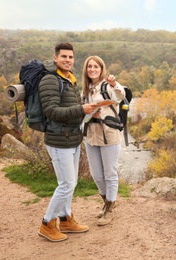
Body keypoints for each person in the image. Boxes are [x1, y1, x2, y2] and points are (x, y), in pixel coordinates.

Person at [38, 43, 100, 242]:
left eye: (71, 57)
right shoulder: (49, 80)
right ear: (55, 58)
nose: (68, 60)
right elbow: (52, 112)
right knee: (66, 184)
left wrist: (88, 112)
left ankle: (65, 219)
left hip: (71, 139)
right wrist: (82, 109)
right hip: (58, 141)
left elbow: (72, 111)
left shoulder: (69, 80)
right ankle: (47, 223)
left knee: (70, 184)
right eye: (64, 56)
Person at [81, 55, 125, 226]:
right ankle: (108, 202)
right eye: (89, 66)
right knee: (97, 175)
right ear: (86, 69)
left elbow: (120, 96)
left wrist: (115, 84)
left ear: (101, 69)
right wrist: (88, 114)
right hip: (91, 136)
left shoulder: (108, 86)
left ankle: (109, 208)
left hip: (109, 135)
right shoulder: (85, 90)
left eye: (96, 67)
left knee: (110, 173)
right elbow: (82, 112)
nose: (92, 69)